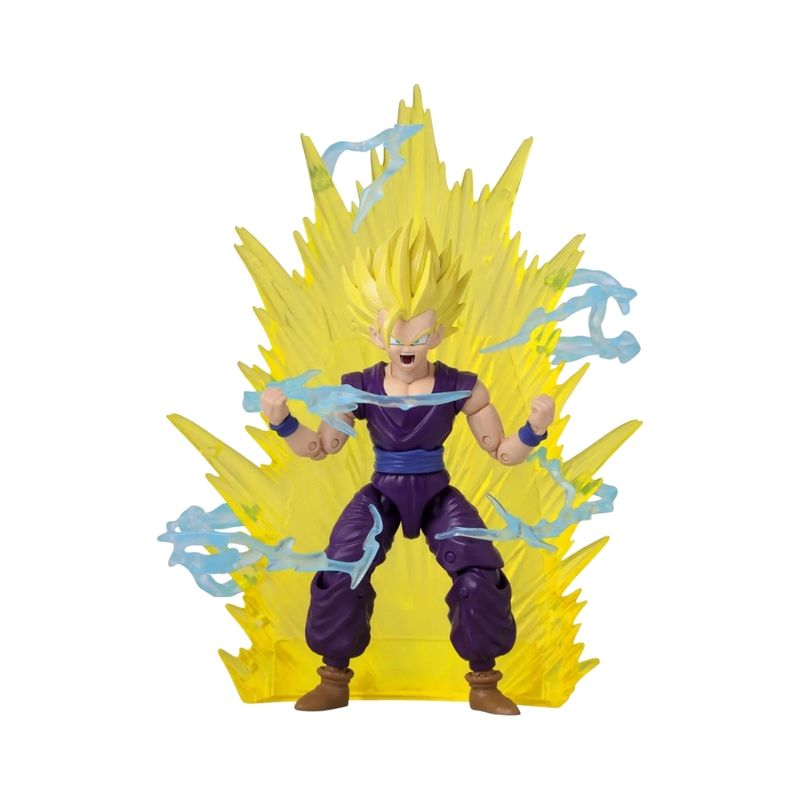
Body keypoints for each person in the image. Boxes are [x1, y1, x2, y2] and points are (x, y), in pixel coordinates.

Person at [260, 221, 554, 714]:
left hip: (438, 493)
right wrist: (282, 422)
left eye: (419, 334)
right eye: (397, 335)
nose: (408, 346)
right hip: (382, 493)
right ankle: (333, 678)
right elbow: (320, 447)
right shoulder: (357, 387)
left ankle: (484, 682)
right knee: (343, 566)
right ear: (375, 332)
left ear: (438, 332)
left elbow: (502, 452)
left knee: (479, 572)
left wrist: (533, 429)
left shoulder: (463, 386)